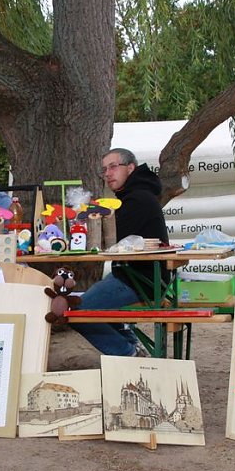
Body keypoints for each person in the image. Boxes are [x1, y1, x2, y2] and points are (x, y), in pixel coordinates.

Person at [72, 148, 170, 357]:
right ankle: (132, 348)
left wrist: (83, 223)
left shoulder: (138, 199)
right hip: (132, 275)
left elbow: (109, 242)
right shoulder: (132, 196)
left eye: (113, 167)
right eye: (104, 169)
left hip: (142, 281)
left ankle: (127, 354)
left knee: (77, 313)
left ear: (131, 168)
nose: (107, 173)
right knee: (91, 307)